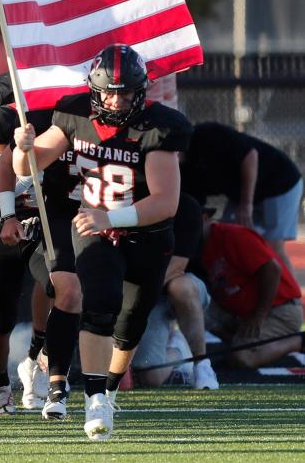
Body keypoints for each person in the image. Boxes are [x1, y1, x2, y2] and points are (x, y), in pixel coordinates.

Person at [13, 44, 191, 442]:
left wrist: (110, 217)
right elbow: (30, 166)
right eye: (109, 91)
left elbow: (166, 202)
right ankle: (94, 398)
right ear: (94, 89)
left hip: (144, 233)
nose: (116, 99)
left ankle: (108, 388)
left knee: (131, 321)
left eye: (126, 92)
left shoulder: (159, 126)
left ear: (140, 92)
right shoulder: (75, 114)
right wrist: (22, 151)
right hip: (93, 226)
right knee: (99, 305)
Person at [0, 72, 82, 420]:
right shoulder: (5, 124)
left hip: (46, 223)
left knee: (62, 287)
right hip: (4, 221)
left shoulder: (74, 123)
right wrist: (6, 216)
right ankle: (0, 388)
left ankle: (39, 358)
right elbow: (2, 173)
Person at [180, 122, 302, 271]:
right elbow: (195, 204)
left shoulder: (206, 135)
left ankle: (290, 293)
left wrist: (246, 205)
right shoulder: (182, 171)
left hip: (280, 182)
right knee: (227, 237)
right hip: (242, 193)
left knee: (273, 246)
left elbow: (250, 156)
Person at [126, 193, 218, 389]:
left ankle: (201, 363)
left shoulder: (186, 206)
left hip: (172, 284)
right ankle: (178, 351)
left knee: (181, 287)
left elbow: (176, 267)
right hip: (136, 289)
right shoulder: (121, 200)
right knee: (149, 375)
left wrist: (133, 299)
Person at [201, 210, 303, 368]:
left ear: (205, 218)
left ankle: (298, 341)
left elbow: (272, 269)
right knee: (194, 303)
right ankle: (241, 343)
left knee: (242, 357)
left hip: (279, 311)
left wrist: (258, 315)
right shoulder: (198, 245)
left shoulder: (232, 235)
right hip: (243, 314)